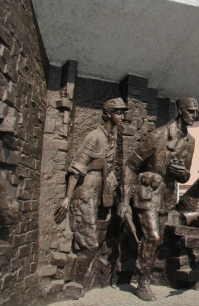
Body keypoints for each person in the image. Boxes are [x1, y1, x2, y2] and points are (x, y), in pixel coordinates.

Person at [117, 97, 198, 301]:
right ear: (180, 110)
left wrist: (182, 173)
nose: (194, 116)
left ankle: (139, 271)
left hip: (167, 198)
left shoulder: (190, 141)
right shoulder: (158, 135)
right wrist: (124, 201)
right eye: (190, 111)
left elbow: (186, 175)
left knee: (157, 239)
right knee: (152, 237)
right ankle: (142, 284)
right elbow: (131, 166)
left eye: (196, 112)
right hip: (147, 193)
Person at [54, 98, 127, 282]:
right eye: (118, 113)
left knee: (99, 237)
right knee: (90, 243)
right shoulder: (94, 137)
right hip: (85, 193)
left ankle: (81, 277)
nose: (122, 116)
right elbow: (76, 168)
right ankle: (74, 283)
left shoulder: (112, 138)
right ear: (108, 114)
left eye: (122, 112)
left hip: (102, 194)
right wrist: (67, 197)